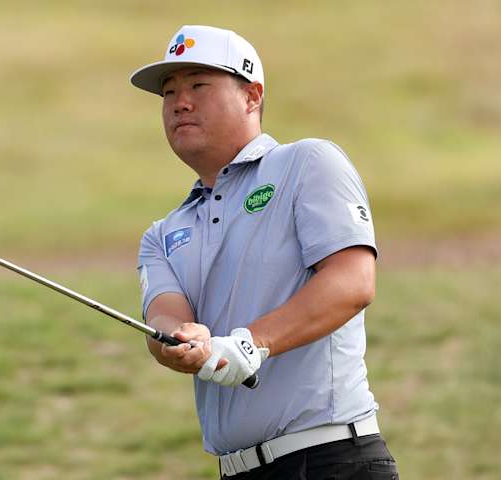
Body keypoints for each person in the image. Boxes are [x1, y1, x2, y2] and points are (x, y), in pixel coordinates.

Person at [129, 25, 399, 479]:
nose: (180, 103)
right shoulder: (163, 233)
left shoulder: (307, 163)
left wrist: (250, 343)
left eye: (198, 85)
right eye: (169, 92)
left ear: (252, 96)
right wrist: (180, 339)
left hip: (331, 458)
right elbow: (164, 317)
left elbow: (353, 283)